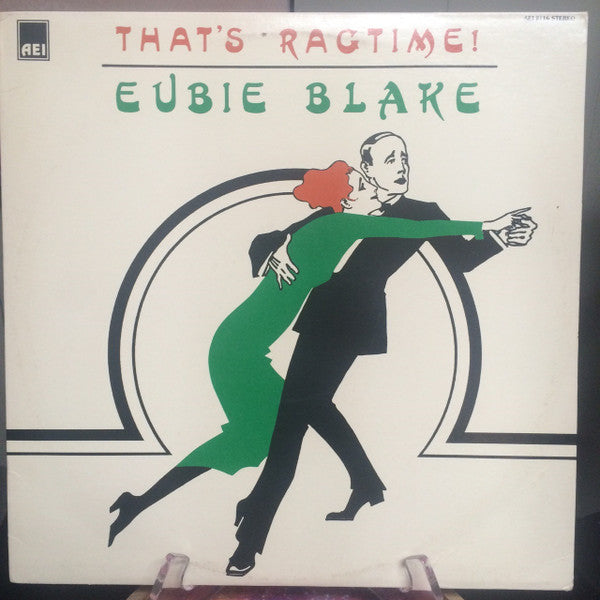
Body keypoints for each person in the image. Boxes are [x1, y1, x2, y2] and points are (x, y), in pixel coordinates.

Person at [108, 159, 521, 552]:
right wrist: (486, 225)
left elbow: (287, 235)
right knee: (284, 423)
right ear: (348, 198)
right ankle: (343, 489)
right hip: (237, 349)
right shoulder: (340, 223)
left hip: (242, 346)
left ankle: (140, 503)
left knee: (258, 438)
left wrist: (279, 245)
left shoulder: (326, 223)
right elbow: (411, 229)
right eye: (364, 186)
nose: (373, 193)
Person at [228, 133, 537, 576]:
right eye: (390, 158)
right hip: (320, 315)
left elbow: (462, 259)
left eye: (404, 157)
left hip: (355, 318)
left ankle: (253, 534)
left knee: (292, 418)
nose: (401, 164)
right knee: (300, 411)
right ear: (368, 169)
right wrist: (276, 249)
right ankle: (361, 483)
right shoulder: (348, 204)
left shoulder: (422, 212)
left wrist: (502, 239)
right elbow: (274, 238)